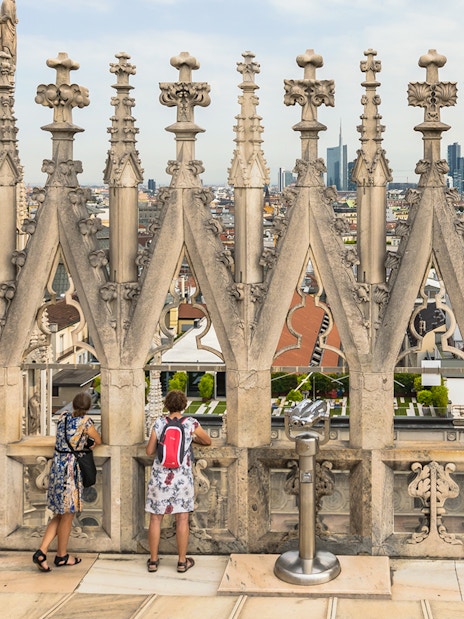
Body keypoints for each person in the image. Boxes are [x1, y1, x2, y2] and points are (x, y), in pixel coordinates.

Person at [32, 391, 101, 572]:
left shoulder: (62, 418)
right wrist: (89, 443)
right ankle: (62, 556)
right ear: (89, 407)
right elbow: (98, 440)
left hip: (56, 468)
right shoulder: (85, 422)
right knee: (68, 514)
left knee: (59, 514)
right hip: (70, 471)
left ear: (72, 404)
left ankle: (42, 551)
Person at [145, 389, 211, 573]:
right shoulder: (190, 423)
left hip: (160, 477)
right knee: (182, 518)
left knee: (155, 518)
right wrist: (191, 440)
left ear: (166, 405)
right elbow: (208, 441)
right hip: (182, 478)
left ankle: (153, 560)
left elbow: (149, 451)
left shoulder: (159, 422)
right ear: (184, 405)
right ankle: (182, 562)